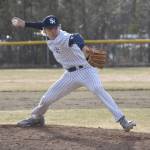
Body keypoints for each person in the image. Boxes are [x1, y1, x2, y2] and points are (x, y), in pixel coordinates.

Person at [11, 15, 136, 132]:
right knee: (46, 99)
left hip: (86, 70)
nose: (54, 31)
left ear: (59, 27)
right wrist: (25, 24)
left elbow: (76, 37)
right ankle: (37, 118)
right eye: (50, 28)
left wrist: (84, 49)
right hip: (70, 75)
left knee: (97, 88)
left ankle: (123, 120)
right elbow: (40, 25)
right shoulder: (46, 33)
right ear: (45, 30)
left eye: (56, 28)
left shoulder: (64, 37)